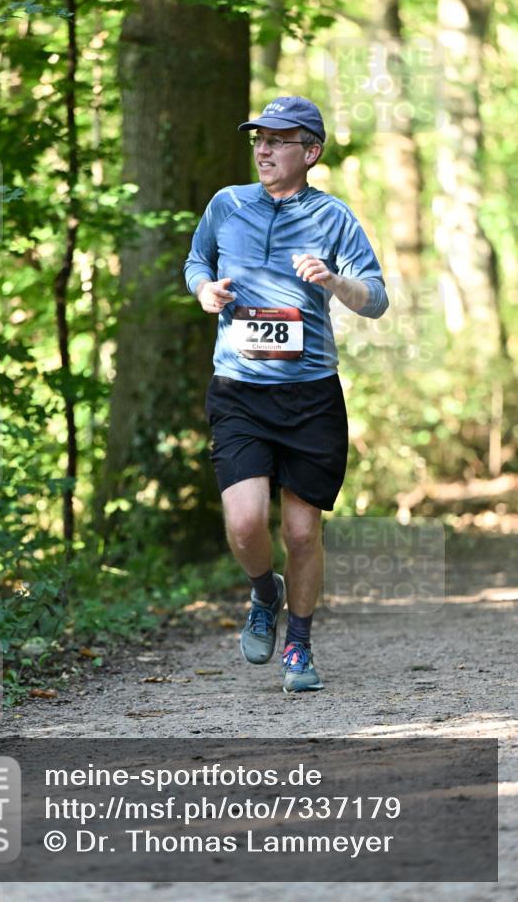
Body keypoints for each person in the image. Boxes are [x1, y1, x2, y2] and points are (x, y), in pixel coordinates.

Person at [183, 96, 388, 694]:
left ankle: (298, 642)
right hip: (239, 392)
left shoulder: (333, 217)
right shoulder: (227, 205)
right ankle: (264, 591)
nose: (264, 150)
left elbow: (375, 297)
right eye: (258, 140)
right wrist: (204, 292)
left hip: (310, 396)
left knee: (302, 533)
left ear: (311, 152)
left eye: (278, 140)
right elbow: (197, 261)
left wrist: (335, 280)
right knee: (247, 524)